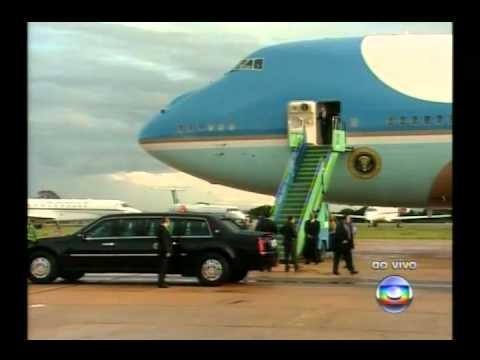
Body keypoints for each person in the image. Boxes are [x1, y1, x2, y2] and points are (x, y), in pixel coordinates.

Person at [156, 217, 173, 288]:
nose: (169, 223)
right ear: (165, 222)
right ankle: (161, 283)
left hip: (162, 251)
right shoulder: (163, 230)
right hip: (164, 251)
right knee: (163, 267)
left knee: (162, 267)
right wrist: (168, 251)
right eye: (168, 221)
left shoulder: (161, 229)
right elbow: (165, 241)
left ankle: (161, 282)